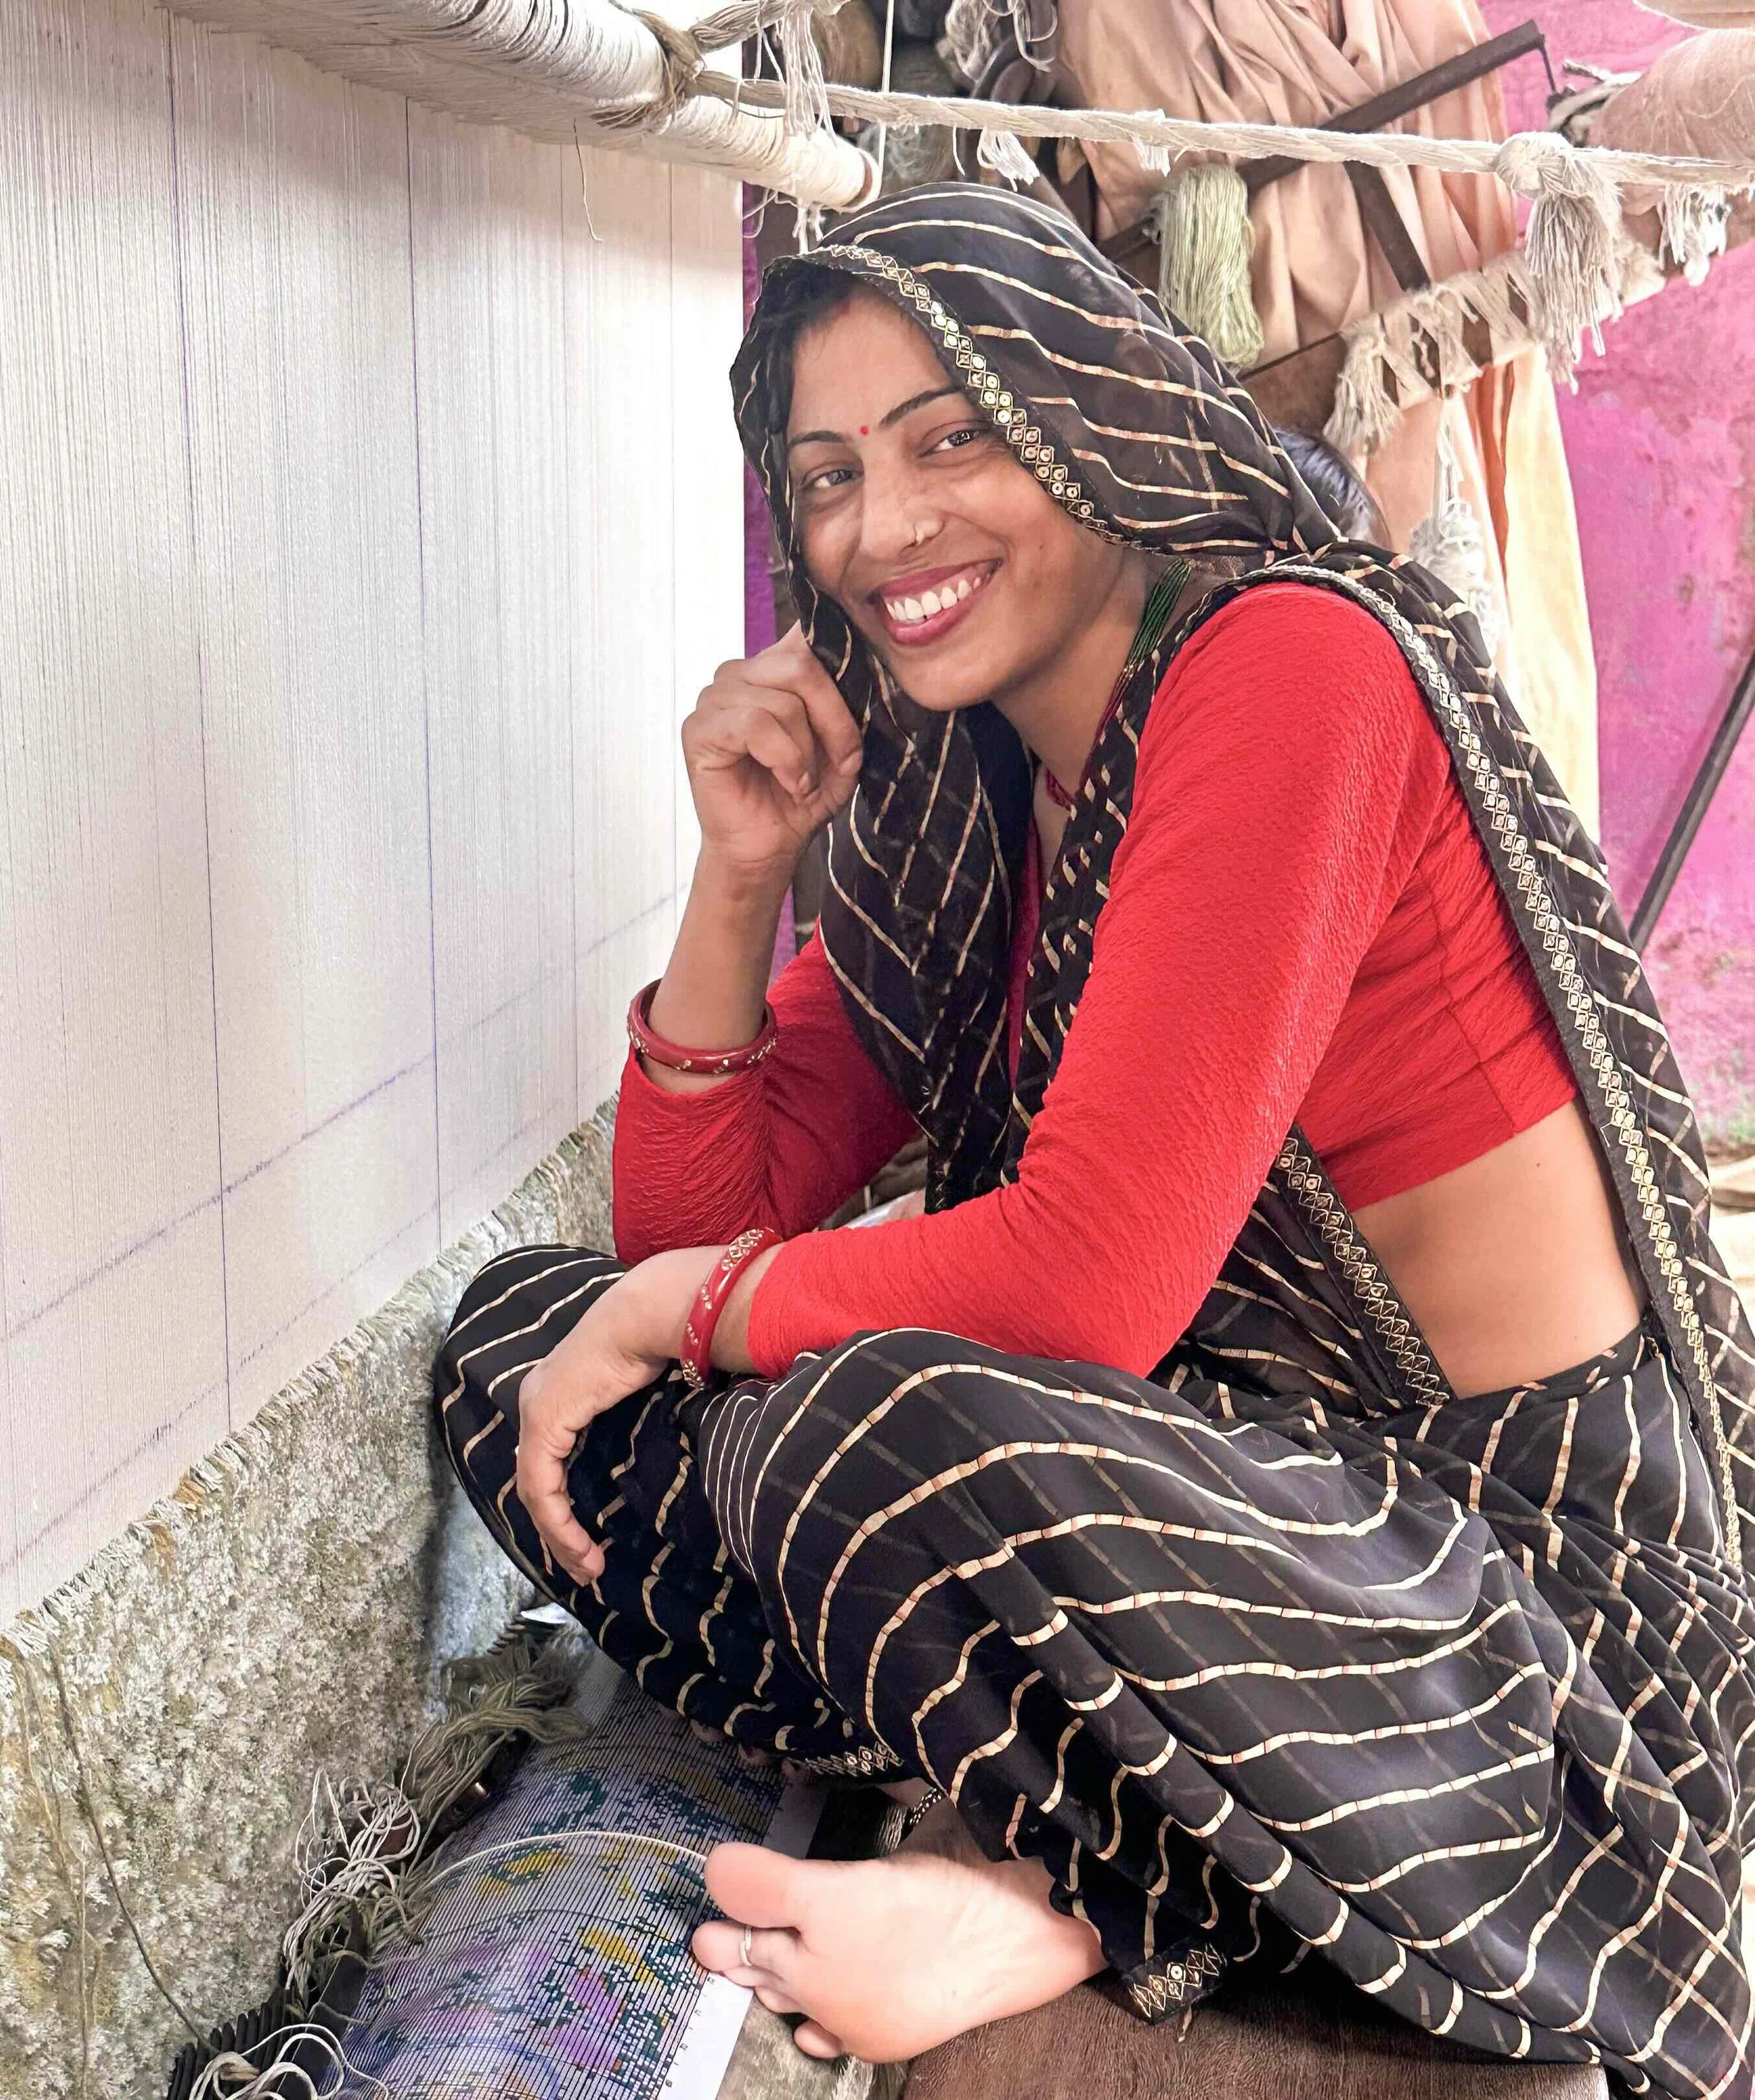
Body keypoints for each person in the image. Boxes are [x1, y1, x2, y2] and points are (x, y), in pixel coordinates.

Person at [436, 187, 1755, 2096]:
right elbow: (702, 1224)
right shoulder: (967, 793)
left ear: (1093, 412)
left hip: (1499, 1624)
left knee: (864, 1422)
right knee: (515, 1349)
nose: (882, 529)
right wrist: (738, 883)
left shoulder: (1284, 665)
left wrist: (683, 1307)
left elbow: (1079, 1282)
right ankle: (1076, 1811)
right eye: (821, 476)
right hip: (1219, 1496)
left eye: (947, 438)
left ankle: (1085, 1902)